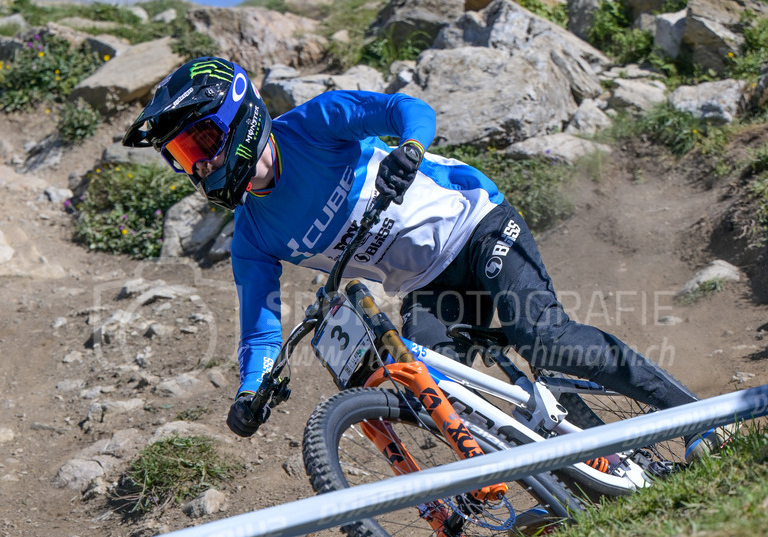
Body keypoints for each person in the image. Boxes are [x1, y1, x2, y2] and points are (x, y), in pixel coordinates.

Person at [122, 57, 727, 463]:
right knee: (433, 394)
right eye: (179, 155)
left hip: (477, 222)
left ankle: (697, 418)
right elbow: (259, 327)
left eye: (197, 143)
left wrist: (409, 149)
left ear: (237, 117)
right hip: (430, 285)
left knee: (549, 342)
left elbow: (410, 111)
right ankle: (595, 463)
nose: (195, 166)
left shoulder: (314, 124)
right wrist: (252, 390)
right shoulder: (253, 235)